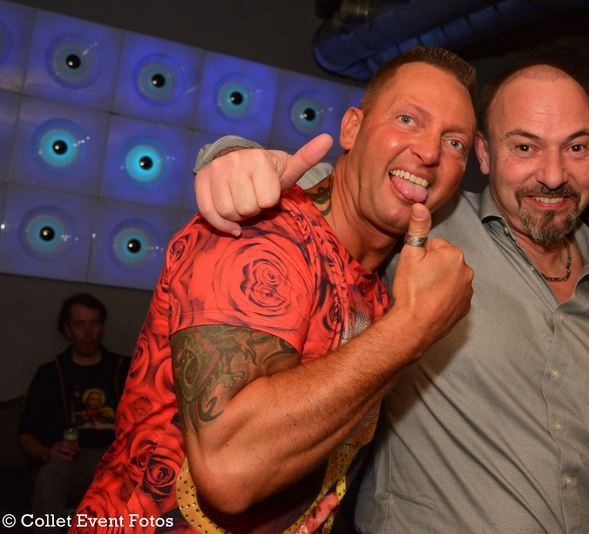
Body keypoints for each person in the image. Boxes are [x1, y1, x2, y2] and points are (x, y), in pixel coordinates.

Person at [195, 61, 589, 533]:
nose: (554, 175)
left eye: (576, 147)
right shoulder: (427, 224)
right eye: (524, 147)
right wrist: (231, 157)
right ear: (485, 154)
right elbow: (352, 188)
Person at [76, 47, 476, 533]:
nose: (430, 153)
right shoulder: (260, 231)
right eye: (408, 119)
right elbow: (229, 470)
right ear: (352, 128)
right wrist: (413, 326)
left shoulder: (381, 283)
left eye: (454, 142)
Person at [18, 293, 129, 529]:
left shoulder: (123, 369)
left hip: (116, 458)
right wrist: (47, 452)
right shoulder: (50, 373)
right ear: (67, 329)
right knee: (50, 476)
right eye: (79, 324)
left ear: (101, 327)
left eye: (94, 323)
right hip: (70, 460)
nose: (88, 332)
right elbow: (25, 433)